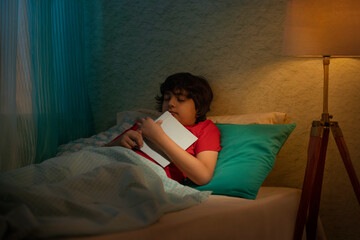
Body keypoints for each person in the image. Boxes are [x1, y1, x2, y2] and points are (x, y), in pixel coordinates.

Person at [105, 73, 221, 186]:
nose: (170, 103)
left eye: (180, 99)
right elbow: (102, 152)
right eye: (167, 98)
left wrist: (158, 137)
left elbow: (203, 176)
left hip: (145, 178)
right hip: (114, 166)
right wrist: (118, 142)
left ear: (198, 107)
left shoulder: (205, 128)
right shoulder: (148, 123)